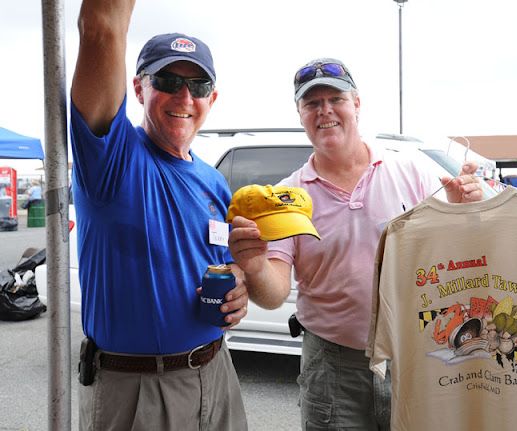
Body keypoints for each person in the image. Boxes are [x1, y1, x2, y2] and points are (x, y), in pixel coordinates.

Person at [228, 58, 483, 430]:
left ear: (357, 104)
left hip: (415, 354)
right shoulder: (287, 197)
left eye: (336, 98)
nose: (325, 110)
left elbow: (458, 258)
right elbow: (273, 294)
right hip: (332, 369)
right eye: (312, 103)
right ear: (300, 114)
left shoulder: (410, 171)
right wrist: (255, 267)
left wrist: (466, 211)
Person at [70, 1, 249, 429]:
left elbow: (225, 261)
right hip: (139, 390)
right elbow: (100, 27)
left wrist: (238, 281)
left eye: (198, 85)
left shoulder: (214, 181)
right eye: (168, 81)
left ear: (212, 98)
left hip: (217, 372)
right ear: (138, 89)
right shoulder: (111, 158)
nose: (185, 97)